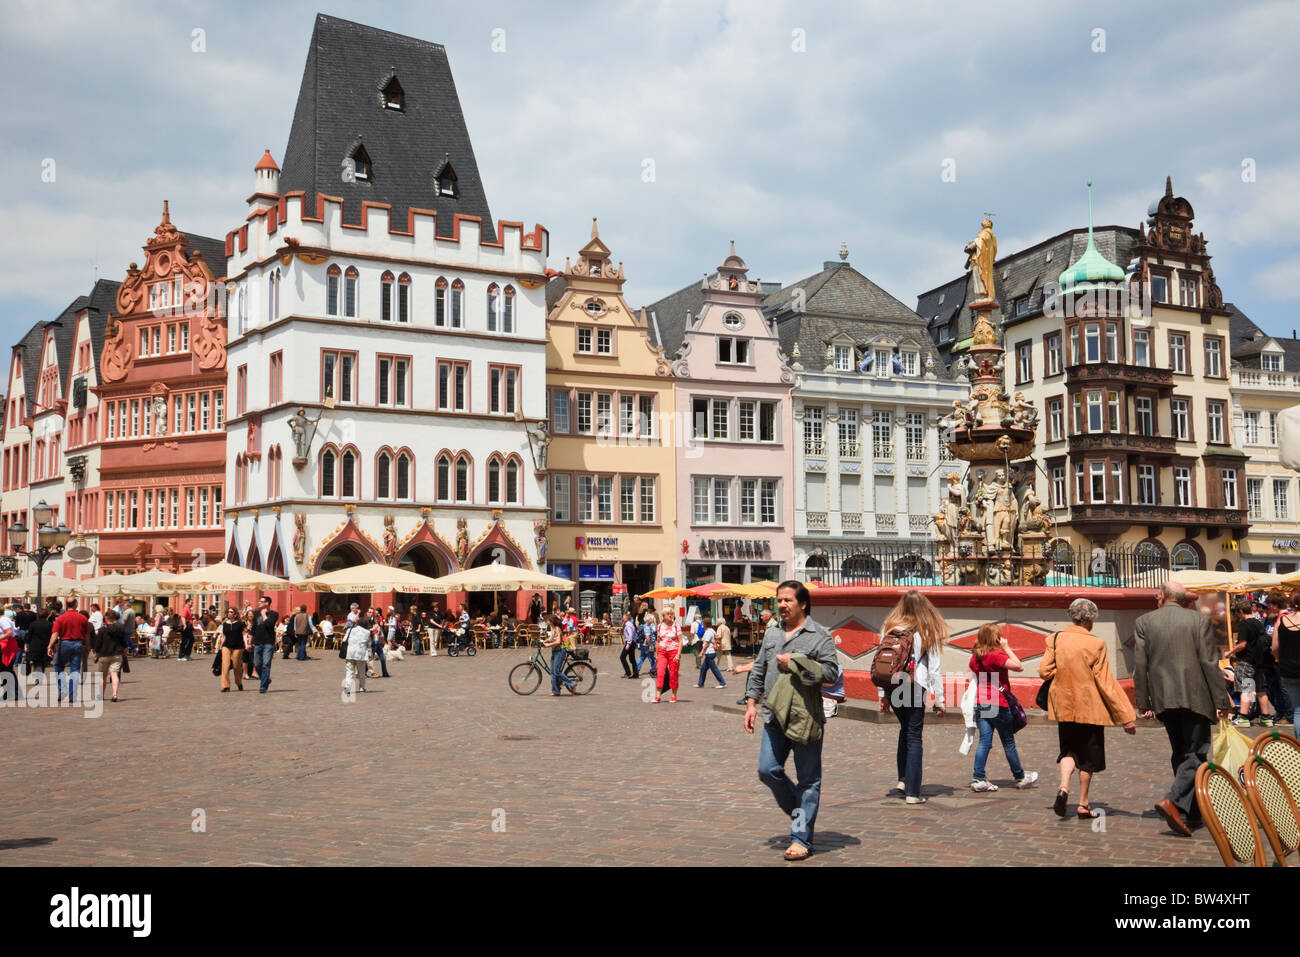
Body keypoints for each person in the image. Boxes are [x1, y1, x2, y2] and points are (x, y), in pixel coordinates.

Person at [744, 581, 839, 861]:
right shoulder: (772, 632)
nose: (782, 605)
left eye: (788, 600)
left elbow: (831, 673)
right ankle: (801, 810)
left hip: (805, 718)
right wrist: (751, 703)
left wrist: (797, 664)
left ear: (803, 604)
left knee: (809, 780)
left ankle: (800, 838)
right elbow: (759, 668)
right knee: (767, 770)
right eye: (779, 600)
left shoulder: (819, 635)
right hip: (774, 715)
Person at [1134, 581, 1234, 837]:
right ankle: (1174, 800)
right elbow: (1209, 662)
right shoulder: (1198, 620)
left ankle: (1192, 813)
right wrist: (1222, 700)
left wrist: (1143, 701)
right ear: (1182, 598)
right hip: (1195, 696)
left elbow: (1140, 664)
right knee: (1195, 753)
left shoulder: (1144, 622)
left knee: (1180, 752)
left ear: (1162, 596)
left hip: (1164, 698)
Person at [1038, 598, 1136, 820]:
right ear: (1091, 620)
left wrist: (1062, 673)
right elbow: (1106, 683)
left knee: (1068, 751)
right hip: (1090, 708)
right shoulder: (1096, 644)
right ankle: (1083, 803)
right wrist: (1126, 717)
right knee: (1088, 757)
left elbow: (1044, 671)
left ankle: (1064, 787)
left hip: (1063, 705)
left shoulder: (1055, 639)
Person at [878, 590, 947, 805]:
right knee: (914, 735)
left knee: (905, 729)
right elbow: (934, 669)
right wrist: (939, 699)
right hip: (915, 685)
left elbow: (882, 662)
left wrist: (882, 694)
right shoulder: (926, 629)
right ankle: (913, 793)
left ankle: (903, 779)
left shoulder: (890, 627)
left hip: (893, 685)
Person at [968, 623, 1038, 792]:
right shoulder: (996, 655)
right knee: (1008, 742)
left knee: (984, 742)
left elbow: (970, 673)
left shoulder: (975, 657)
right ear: (995, 638)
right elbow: (1019, 666)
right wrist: (1006, 647)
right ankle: (1020, 777)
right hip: (998, 702)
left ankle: (979, 778)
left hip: (982, 702)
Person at [1230, 597, 1274, 727]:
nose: (1238, 616)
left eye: (1238, 613)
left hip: (1246, 661)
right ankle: (1266, 718)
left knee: (1246, 689)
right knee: (1260, 690)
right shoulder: (1258, 623)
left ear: (1241, 611)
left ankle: (1243, 718)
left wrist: (1230, 651)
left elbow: (1243, 644)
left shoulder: (1244, 624)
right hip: (1259, 661)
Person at [49, 598, 93, 704]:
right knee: (75, 670)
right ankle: (72, 696)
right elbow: (87, 635)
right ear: (76, 604)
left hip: (65, 643)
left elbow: (55, 633)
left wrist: (49, 646)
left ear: (66, 604)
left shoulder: (61, 618)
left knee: (59, 666)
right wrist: (87, 646)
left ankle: (62, 689)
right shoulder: (83, 618)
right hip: (78, 644)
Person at [91, 608, 129, 703]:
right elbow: (124, 641)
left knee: (102, 676)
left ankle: (101, 695)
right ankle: (114, 694)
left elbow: (98, 644)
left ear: (107, 618)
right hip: (117, 654)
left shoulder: (102, 630)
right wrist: (125, 649)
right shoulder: (121, 628)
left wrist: (96, 653)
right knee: (114, 674)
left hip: (104, 654)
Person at [1275, 597, 1300, 739]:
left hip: (1288, 669)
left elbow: (1274, 647)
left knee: (1298, 710)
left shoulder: (1282, 620)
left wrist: (1281, 658)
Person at [543, 613, 576, 696]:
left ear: (552, 621)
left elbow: (558, 641)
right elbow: (551, 638)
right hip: (554, 651)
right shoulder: (552, 628)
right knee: (552, 672)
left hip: (560, 651)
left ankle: (572, 683)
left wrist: (548, 645)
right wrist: (544, 641)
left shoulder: (557, 629)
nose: (547, 622)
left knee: (557, 671)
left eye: (548, 621)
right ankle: (556, 691)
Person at [251, 595, 279, 693]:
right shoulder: (256, 613)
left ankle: (263, 686)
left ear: (267, 603)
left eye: (261, 601)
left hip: (268, 643)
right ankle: (266, 679)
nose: (259, 603)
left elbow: (269, 625)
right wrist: (251, 641)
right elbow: (254, 628)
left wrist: (264, 615)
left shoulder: (274, 614)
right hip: (257, 642)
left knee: (266, 665)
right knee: (256, 664)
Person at [655, 608, 683, 703]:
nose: (670, 615)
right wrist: (656, 654)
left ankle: (674, 695)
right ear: (663, 616)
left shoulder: (676, 626)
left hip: (674, 652)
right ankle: (658, 695)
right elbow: (658, 641)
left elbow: (680, 641)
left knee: (673, 674)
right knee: (660, 673)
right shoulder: (660, 626)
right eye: (668, 614)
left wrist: (678, 654)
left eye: (672, 613)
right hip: (662, 652)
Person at [342, 615, 372, 695]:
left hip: (350, 652)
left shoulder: (350, 630)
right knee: (361, 671)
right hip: (361, 654)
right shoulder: (367, 632)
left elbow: (344, 640)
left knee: (349, 671)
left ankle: (347, 687)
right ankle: (362, 687)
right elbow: (369, 644)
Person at [217, 607, 245, 692]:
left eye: (231, 612)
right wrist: (220, 647)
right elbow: (223, 636)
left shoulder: (240, 624)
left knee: (236, 666)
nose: (229, 613)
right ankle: (226, 686)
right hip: (226, 646)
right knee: (225, 665)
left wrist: (247, 644)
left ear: (235, 614)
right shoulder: (225, 624)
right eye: (228, 612)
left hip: (238, 646)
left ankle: (239, 683)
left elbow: (245, 634)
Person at [695, 616, 727, 689]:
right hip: (710, 653)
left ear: (705, 624)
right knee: (703, 668)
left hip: (710, 652)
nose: (702, 625)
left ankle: (722, 683)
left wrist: (701, 652)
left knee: (714, 669)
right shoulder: (712, 630)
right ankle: (700, 683)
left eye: (703, 624)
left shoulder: (708, 632)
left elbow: (706, 644)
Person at [619, 611, 638, 678]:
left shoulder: (628, 625)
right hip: (632, 643)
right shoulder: (629, 624)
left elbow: (630, 635)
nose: (623, 619)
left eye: (624, 618)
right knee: (632, 658)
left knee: (622, 657)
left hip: (630, 643)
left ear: (627, 618)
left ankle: (628, 672)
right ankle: (635, 673)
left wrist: (628, 644)